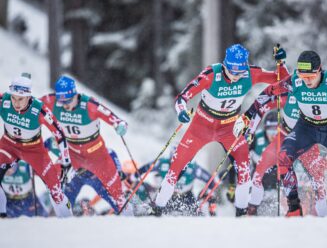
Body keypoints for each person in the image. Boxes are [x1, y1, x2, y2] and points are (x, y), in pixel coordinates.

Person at [154, 44, 290, 216]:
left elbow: (285, 80)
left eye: (239, 73)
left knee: (244, 167)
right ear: (225, 65)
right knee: (176, 167)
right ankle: (157, 209)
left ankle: (241, 213)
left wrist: (281, 62)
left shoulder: (250, 73)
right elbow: (182, 97)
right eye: (231, 72)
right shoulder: (212, 74)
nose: (234, 77)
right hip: (201, 127)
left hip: (229, 129)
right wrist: (181, 111)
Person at [237, 51, 327, 216]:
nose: (306, 80)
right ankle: (294, 208)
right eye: (303, 75)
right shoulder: (296, 81)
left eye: (310, 76)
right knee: (283, 157)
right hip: (306, 127)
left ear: (320, 71)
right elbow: (268, 93)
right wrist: (247, 116)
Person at [40, 75, 132, 215]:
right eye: (61, 101)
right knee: (53, 181)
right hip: (72, 154)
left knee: (118, 196)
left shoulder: (89, 105)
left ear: (75, 94)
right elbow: (30, 104)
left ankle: (131, 220)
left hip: (97, 156)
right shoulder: (52, 101)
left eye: (68, 100)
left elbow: (113, 117)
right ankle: (62, 220)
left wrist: (120, 125)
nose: (65, 105)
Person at [246, 106, 327, 217]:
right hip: (271, 186)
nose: (273, 134)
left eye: (275, 129)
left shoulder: (292, 138)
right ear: (265, 129)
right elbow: (251, 163)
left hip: (293, 181)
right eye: (270, 130)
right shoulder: (259, 140)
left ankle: (320, 213)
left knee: (309, 186)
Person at [0, 73, 72, 218]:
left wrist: (65, 161)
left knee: (55, 190)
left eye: (20, 99)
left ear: (28, 96)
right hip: (9, 145)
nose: (16, 102)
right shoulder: (4, 100)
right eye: (13, 97)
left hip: (34, 150)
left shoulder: (39, 110)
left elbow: (59, 133)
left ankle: (69, 221)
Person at [138, 147, 217, 216]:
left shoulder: (193, 168)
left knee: (197, 214)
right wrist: (133, 177)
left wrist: (209, 193)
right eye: (174, 159)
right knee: (153, 212)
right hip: (165, 195)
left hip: (186, 196)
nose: (176, 163)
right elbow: (144, 168)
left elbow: (209, 179)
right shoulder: (162, 163)